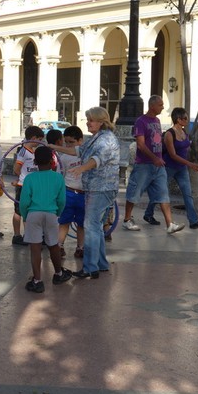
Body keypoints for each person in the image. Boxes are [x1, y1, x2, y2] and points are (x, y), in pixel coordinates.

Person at [49, 106, 120, 277]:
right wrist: (53, 147)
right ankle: (101, 264)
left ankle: (90, 268)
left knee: (91, 226)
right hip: (97, 188)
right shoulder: (97, 138)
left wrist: (81, 168)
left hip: (101, 188)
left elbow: (96, 159)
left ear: (101, 122)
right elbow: (78, 151)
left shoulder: (106, 140)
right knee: (95, 226)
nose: (87, 123)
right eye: (87, 120)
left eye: (91, 120)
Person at [122, 95, 185, 234]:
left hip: (158, 166)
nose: (163, 107)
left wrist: (161, 156)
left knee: (163, 194)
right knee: (134, 193)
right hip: (144, 165)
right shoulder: (141, 121)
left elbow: (157, 142)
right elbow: (141, 144)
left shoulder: (157, 121)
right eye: (160, 105)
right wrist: (153, 158)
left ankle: (170, 224)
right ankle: (127, 220)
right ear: (152, 106)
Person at [143, 107, 198, 229]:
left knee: (188, 194)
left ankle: (193, 221)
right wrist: (190, 164)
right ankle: (148, 213)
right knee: (161, 193)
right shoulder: (169, 134)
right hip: (168, 168)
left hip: (181, 169)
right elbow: (173, 155)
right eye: (185, 118)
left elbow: (185, 149)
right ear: (178, 119)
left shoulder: (184, 133)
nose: (187, 120)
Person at [19, 145, 71, 293]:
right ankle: (59, 273)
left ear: (35, 161)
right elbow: (62, 201)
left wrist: (25, 215)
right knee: (53, 245)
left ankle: (37, 281)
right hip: (51, 214)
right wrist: (58, 213)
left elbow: (24, 202)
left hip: (33, 214)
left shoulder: (29, 178)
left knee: (35, 248)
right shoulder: (58, 178)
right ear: (52, 161)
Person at [56, 126, 86, 258]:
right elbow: (59, 177)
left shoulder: (87, 155)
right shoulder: (63, 158)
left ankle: (81, 248)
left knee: (82, 224)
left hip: (84, 194)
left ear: (80, 141)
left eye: (71, 142)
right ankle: (59, 246)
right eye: (66, 142)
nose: (68, 145)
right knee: (64, 222)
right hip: (68, 193)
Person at [12, 125, 44, 245]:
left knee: (28, 211)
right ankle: (17, 235)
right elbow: (16, 168)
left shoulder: (32, 152)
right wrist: (22, 179)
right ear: (34, 138)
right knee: (19, 211)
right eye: (39, 140)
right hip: (23, 186)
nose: (40, 142)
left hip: (30, 186)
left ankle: (28, 235)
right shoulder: (23, 152)